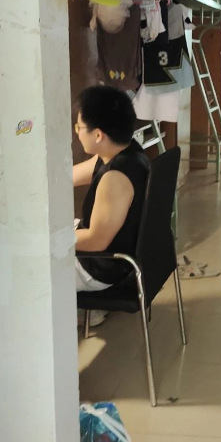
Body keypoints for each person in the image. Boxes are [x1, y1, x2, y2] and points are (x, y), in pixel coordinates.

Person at [73, 86, 149, 322]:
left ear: (98, 135)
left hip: (101, 267)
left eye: (79, 127)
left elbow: (96, 241)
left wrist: (48, 239)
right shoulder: (125, 151)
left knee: (22, 258)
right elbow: (67, 177)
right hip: (114, 254)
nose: (77, 132)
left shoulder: (115, 178)